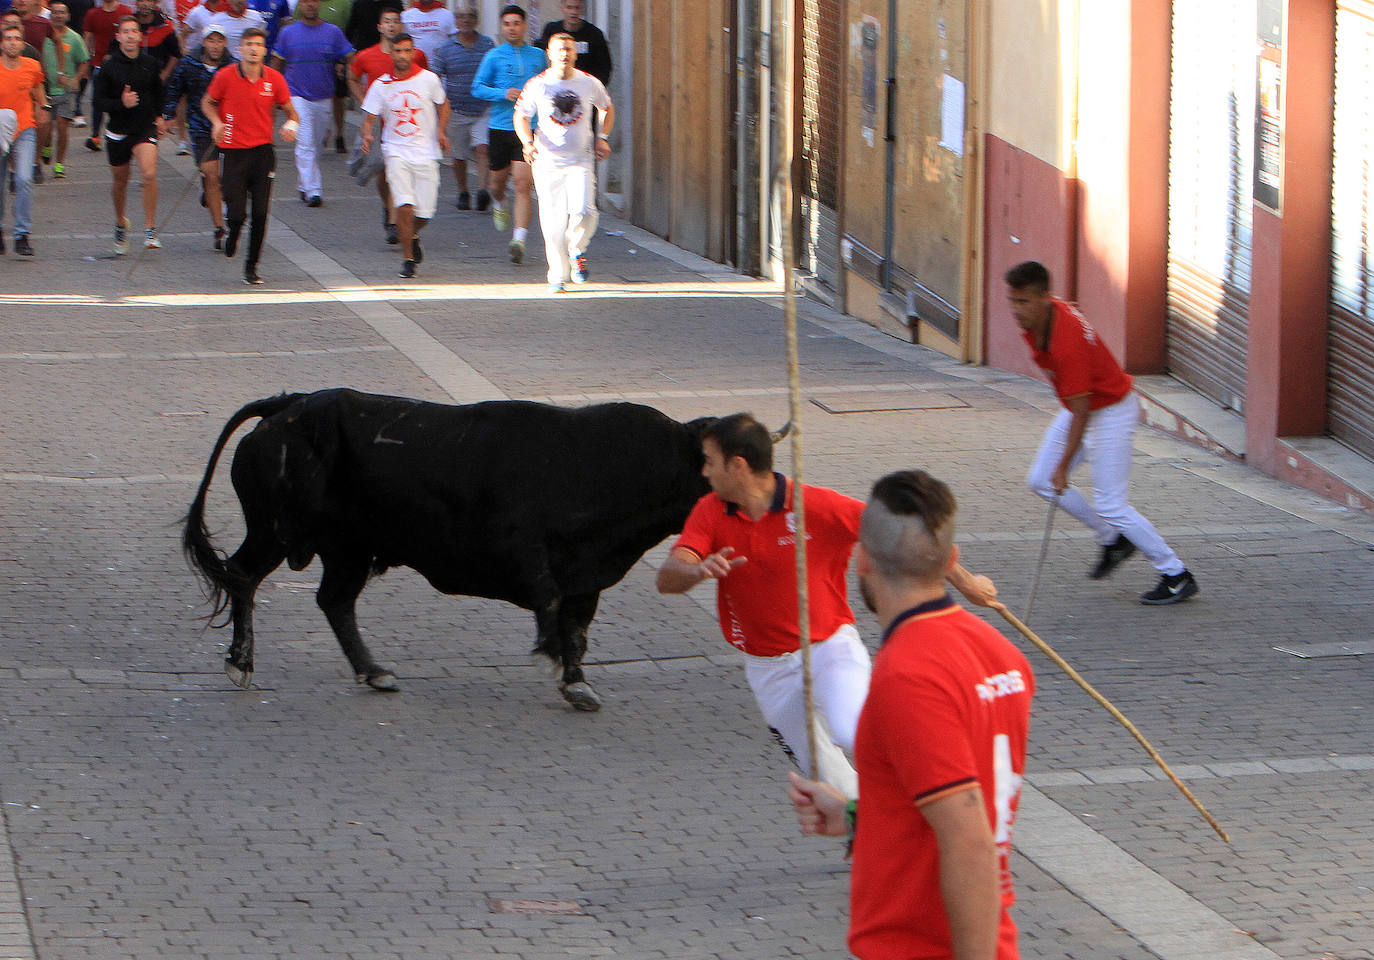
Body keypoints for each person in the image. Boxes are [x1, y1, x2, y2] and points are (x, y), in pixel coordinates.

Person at [655, 413, 998, 798]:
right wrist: (696, 571)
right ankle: (870, 834)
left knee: (855, 733)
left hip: (830, 651)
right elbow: (667, 578)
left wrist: (968, 584)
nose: (704, 472)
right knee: (824, 770)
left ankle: (947, 790)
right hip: (767, 668)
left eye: (710, 461)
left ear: (738, 466)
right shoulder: (710, 510)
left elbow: (906, 534)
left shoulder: (816, 506)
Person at [788, 469, 1034, 960]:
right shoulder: (1003, 655)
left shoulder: (908, 674)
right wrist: (859, 814)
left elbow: (968, 840)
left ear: (860, 561)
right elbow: (957, 793)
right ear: (952, 561)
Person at [1006, 260, 1200, 605]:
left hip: (1110, 411)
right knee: (1039, 480)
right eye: (1013, 300)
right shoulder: (1045, 318)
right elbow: (1076, 408)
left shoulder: (1067, 346)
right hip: (1083, 406)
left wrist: (1064, 466)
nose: (1016, 310)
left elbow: (1081, 413)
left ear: (1045, 299)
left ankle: (1175, 574)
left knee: (1111, 503)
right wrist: (1057, 470)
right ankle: (1114, 538)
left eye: (1024, 302)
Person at [513, 31, 608, 294]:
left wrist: (603, 137)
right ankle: (557, 273)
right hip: (547, 161)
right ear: (549, 54)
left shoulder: (589, 83)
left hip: (581, 160)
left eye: (569, 49)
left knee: (584, 210)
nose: (564, 54)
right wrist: (527, 143)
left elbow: (606, 108)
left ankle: (577, 250)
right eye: (559, 49)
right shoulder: (538, 84)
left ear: (575, 53)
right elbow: (521, 116)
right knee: (553, 221)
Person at [202, 24, 297, 283]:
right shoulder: (226, 75)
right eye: (249, 45)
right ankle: (232, 231)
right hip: (233, 152)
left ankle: (251, 266)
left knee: (261, 213)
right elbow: (207, 102)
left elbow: (290, 111)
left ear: (265, 51)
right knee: (236, 212)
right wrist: (217, 122)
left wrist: (291, 125)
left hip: (263, 152)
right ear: (240, 49)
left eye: (258, 45)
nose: (253, 49)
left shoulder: (274, 79)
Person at [360, 29, 445, 278]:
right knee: (404, 205)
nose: (403, 55)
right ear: (392, 54)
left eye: (407, 50)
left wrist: (441, 131)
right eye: (398, 51)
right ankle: (408, 259)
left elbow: (443, 103)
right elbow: (369, 117)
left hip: (426, 152)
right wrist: (367, 132)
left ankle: (413, 234)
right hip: (396, 151)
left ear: (414, 53)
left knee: (424, 213)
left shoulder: (428, 79)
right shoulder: (382, 84)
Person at [470, 2, 540, 264]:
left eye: (517, 23)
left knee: (523, 183)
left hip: (529, 129)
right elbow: (476, 87)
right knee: (497, 184)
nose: (512, 28)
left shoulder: (538, 55)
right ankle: (499, 203)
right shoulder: (494, 56)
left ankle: (519, 240)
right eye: (507, 24)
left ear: (525, 26)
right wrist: (502, 93)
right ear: (502, 28)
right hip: (500, 127)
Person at [347, 2, 423, 244]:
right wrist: (364, 101)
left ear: (401, 25)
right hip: (379, 122)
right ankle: (388, 212)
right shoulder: (366, 55)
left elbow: (424, 81)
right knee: (383, 171)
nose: (391, 25)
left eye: (395, 21)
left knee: (398, 171)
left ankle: (394, 218)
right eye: (387, 21)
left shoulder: (416, 55)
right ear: (380, 26)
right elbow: (352, 76)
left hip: (405, 121)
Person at [94, 14, 166, 251]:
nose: (130, 35)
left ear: (139, 35)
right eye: (125, 31)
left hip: (144, 127)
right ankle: (120, 223)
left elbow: (159, 91)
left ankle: (150, 229)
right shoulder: (109, 66)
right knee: (120, 182)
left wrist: (160, 116)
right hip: (118, 131)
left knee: (148, 173)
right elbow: (99, 101)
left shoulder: (150, 63)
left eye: (134, 31)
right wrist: (121, 103)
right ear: (118, 37)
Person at [271, 0, 350, 206]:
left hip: (324, 96)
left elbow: (350, 56)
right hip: (296, 95)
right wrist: (272, 91)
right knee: (305, 142)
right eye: (305, 1)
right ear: (300, 6)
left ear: (319, 4)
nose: (310, 5)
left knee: (315, 145)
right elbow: (276, 64)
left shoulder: (333, 32)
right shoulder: (288, 33)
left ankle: (303, 184)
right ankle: (314, 190)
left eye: (313, 1)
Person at [162, 22, 231, 246]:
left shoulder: (234, 67)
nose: (215, 45)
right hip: (201, 127)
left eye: (220, 40)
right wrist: (168, 115)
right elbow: (175, 89)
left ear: (225, 43)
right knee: (211, 174)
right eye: (211, 40)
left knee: (229, 180)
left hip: (230, 129)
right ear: (204, 41)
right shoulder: (188, 64)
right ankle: (219, 227)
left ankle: (220, 202)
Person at [428, 1, 487, 209]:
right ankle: (463, 191)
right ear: (456, 22)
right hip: (456, 109)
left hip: (483, 109)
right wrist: (438, 102)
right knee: (459, 155)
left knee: (482, 149)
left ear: (477, 21)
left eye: (470, 17)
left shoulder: (487, 45)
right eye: (461, 17)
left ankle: (482, 191)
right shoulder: (445, 49)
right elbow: (434, 76)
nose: (466, 21)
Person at [0, 21, 44, 256]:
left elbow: (38, 88)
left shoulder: (32, 65)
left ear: (23, 42)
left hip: (25, 128)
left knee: (24, 179)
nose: (13, 42)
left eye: (17, 38)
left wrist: (43, 105)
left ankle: (22, 234)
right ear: (1, 43)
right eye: (8, 38)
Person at [40, 0, 86, 177]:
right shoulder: (44, 35)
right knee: (46, 126)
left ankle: (59, 164)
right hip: (44, 88)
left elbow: (83, 62)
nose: (58, 15)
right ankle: (47, 145)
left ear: (68, 16)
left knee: (62, 126)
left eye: (62, 12)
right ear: (50, 15)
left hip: (64, 90)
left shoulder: (74, 38)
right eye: (55, 12)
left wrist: (75, 79)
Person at [80, 0, 130, 149]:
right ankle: (95, 135)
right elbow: (87, 38)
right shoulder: (93, 13)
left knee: (122, 98)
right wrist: (85, 62)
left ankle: (123, 132)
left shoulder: (125, 12)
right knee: (98, 100)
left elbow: (129, 38)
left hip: (121, 64)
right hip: (98, 64)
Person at [534, 0, 606, 86]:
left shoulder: (594, 34)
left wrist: (596, 87)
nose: (573, 12)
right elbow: (537, 55)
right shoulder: (552, 30)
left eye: (577, 8)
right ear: (561, 8)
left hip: (585, 87)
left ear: (582, 9)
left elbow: (604, 66)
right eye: (569, 7)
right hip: (556, 86)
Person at [133, 0, 178, 81]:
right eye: (141, 0)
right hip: (133, 78)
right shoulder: (129, 24)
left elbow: (175, 54)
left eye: (149, 0)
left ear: (155, 3)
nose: (145, 4)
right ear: (136, 3)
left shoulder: (166, 25)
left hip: (157, 80)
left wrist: (164, 76)